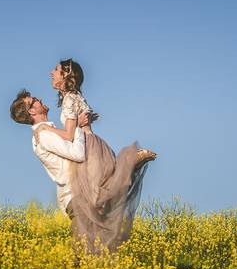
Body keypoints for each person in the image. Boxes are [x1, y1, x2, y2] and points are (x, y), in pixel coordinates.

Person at [9, 88, 155, 254]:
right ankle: (128, 166)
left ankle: (127, 168)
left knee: (94, 249)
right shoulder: (43, 136)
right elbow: (77, 154)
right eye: (34, 100)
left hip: (84, 189)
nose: (39, 99)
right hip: (77, 196)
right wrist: (78, 126)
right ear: (32, 111)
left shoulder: (48, 131)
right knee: (84, 253)